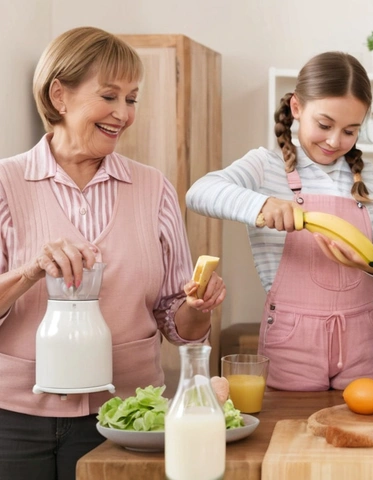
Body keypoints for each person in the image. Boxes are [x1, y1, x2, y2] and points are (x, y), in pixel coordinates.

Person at [0, 27, 226, 479]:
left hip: (128, 418)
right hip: (14, 421)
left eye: (132, 99)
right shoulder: (6, 184)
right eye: (110, 96)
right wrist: (30, 271)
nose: (123, 114)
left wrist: (198, 311)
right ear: (59, 96)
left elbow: (175, 320)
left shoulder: (153, 188)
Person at [187, 51, 373, 391]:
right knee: (290, 432)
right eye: (324, 125)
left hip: (363, 337)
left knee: (364, 430)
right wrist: (262, 203)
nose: (335, 141)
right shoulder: (265, 167)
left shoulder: (369, 177)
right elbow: (200, 192)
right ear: (296, 107)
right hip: (292, 338)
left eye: (350, 130)